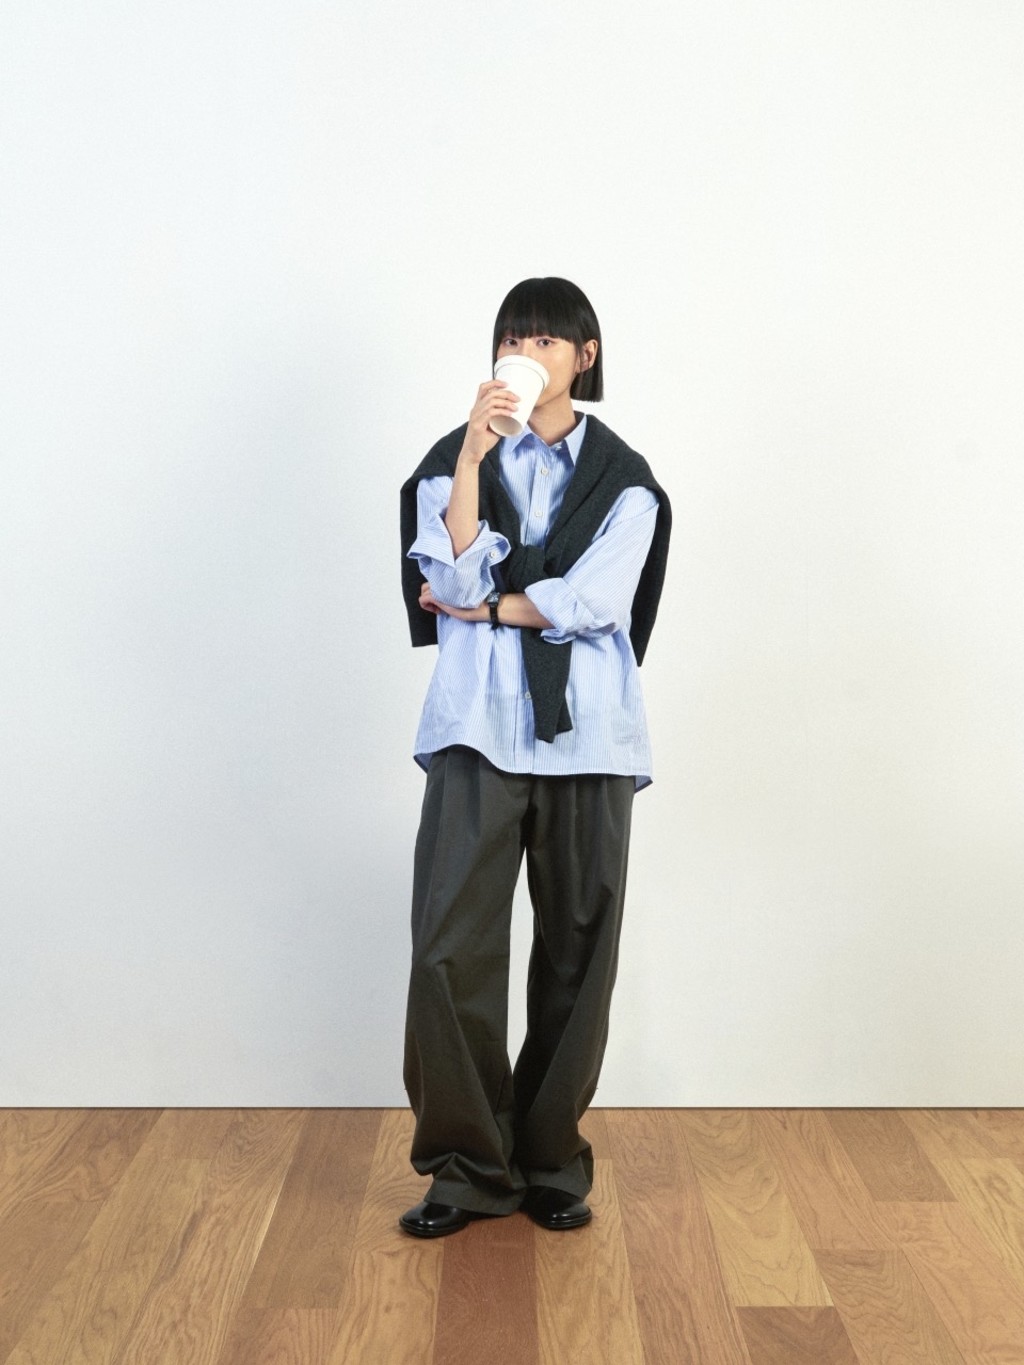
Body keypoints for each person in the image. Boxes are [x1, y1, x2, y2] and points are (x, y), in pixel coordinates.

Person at [398, 276, 671, 1238]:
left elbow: (596, 602)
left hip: (589, 732)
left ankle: (551, 1159)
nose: (526, 352)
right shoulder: (449, 462)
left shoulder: (629, 480)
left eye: (547, 339)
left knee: (578, 950)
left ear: (584, 356)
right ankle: (467, 1167)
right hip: (477, 726)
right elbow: (448, 567)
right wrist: (475, 455)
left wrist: (492, 605)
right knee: (448, 947)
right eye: (513, 337)